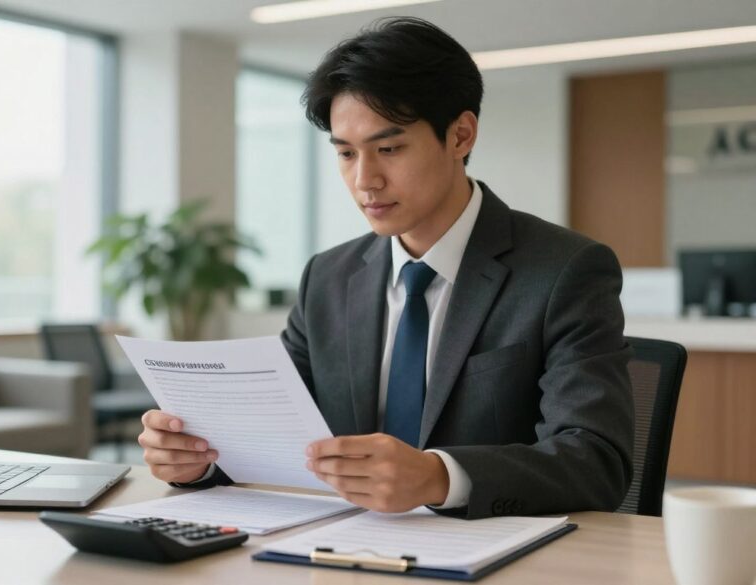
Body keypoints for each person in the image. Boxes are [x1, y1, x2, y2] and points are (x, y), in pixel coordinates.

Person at [137, 17, 634, 519]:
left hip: (491, 553)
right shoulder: (327, 279)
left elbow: (595, 459)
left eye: (389, 149)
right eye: (346, 154)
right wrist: (196, 461)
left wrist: (439, 477)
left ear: (460, 135)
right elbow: (274, 436)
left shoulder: (565, 270)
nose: (364, 180)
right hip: (342, 547)